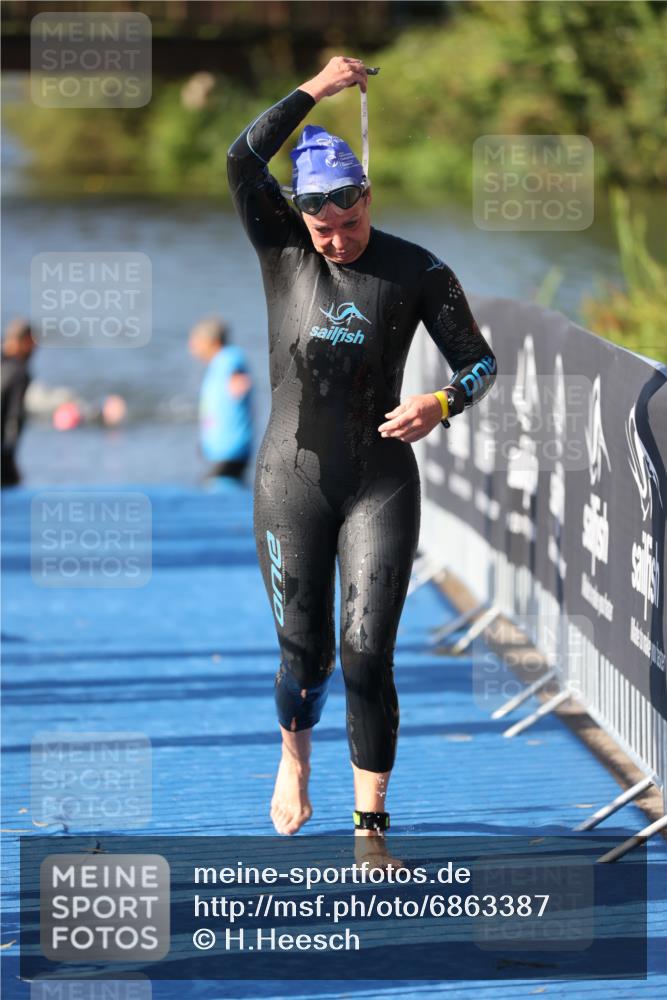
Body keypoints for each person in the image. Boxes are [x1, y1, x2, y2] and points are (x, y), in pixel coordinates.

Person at [227, 56, 497, 854]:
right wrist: (316, 87)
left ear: (367, 199)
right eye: (324, 231)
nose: (338, 241)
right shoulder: (283, 251)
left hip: (379, 481)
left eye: (349, 224)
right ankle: (293, 758)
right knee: (305, 659)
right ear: (301, 222)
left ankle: (370, 825)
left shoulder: (418, 271)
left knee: (367, 655)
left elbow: (479, 363)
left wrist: (439, 402)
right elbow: (241, 160)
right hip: (290, 479)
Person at [188, 317, 254, 482]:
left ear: (214, 342)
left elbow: (240, 379)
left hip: (231, 450)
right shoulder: (217, 364)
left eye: (197, 340)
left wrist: (238, 385)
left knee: (216, 488)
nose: (192, 346)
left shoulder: (229, 357)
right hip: (220, 452)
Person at [1, 317, 36, 487]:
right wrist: (8, 463)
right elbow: (15, 417)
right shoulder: (19, 373)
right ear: (24, 342)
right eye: (32, 343)